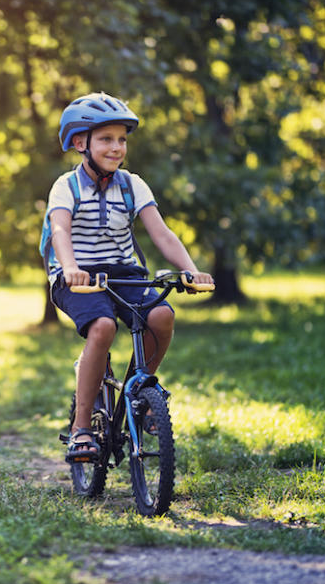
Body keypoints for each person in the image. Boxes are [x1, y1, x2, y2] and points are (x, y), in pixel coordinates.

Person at [41, 92, 214, 463]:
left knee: (162, 316)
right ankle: (81, 429)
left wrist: (190, 269)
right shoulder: (64, 186)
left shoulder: (133, 184)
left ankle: (141, 387)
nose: (117, 147)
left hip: (123, 272)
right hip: (76, 273)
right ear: (79, 143)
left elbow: (162, 233)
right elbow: (60, 230)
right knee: (102, 327)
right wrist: (70, 268)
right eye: (106, 139)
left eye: (122, 139)